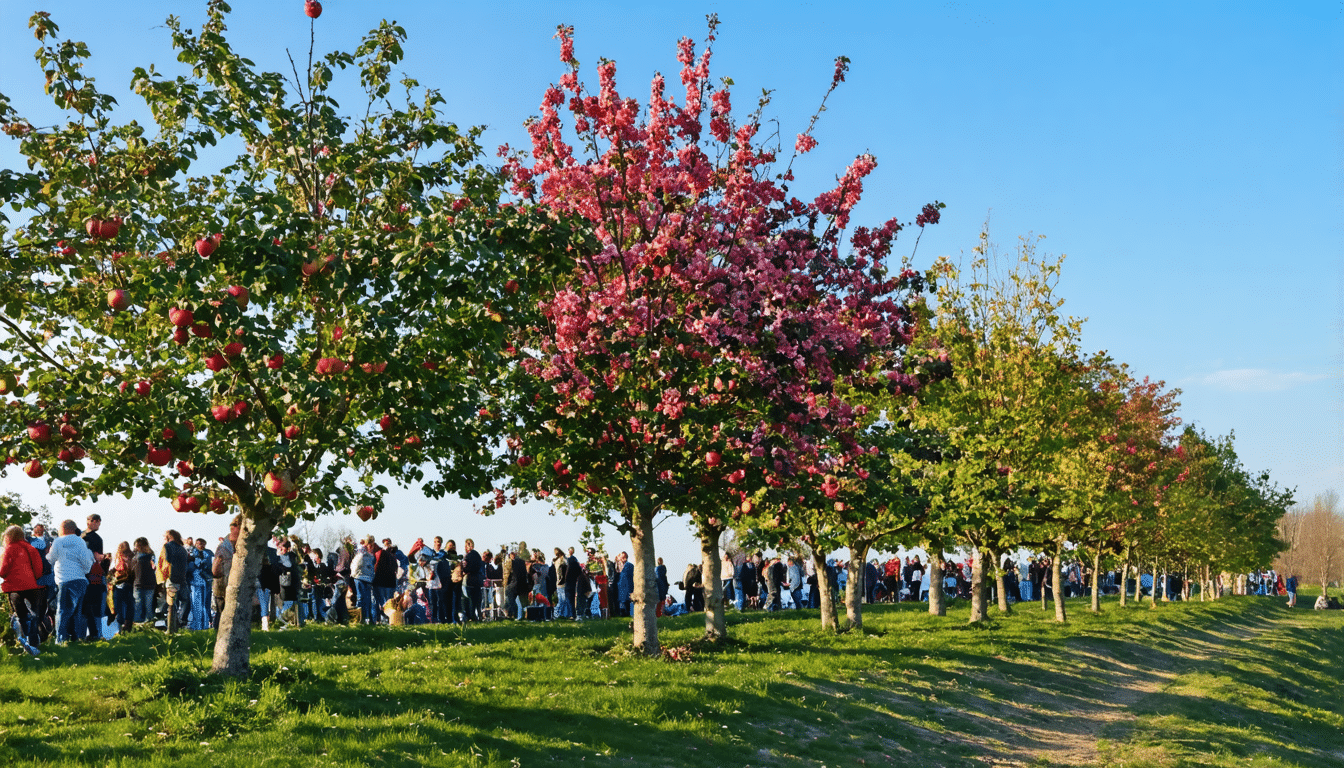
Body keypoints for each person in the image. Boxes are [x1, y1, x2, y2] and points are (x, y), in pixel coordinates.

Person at [46, 520, 95, 644]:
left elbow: (51, 559)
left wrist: (46, 555)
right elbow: (87, 564)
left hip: (65, 580)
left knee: (62, 611)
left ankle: (61, 640)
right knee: (76, 612)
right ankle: (75, 638)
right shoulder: (80, 541)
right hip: (80, 581)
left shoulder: (58, 541)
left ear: (63, 529)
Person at [1, 524, 46, 654]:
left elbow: (3, 571)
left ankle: (25, 645)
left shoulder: (9, 549)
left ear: (8, 537)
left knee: (21, 617)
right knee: (33, 616)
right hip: (32, 587)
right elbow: (38, 571)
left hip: (15, 588)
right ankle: (34, 644)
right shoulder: (31, 548)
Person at [157, 530, 189, 633]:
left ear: (168, 537)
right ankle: (181, 621)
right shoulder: (183, 549)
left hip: (171, 578)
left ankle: (167, 624)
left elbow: (165, 562)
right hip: (182, 578)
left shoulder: (167, 546)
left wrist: (162, 578)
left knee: (171, 603)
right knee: (185, 600)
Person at [211, 517, 240, 628]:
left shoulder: (235, 545)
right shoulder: (224, 547)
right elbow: (215, 570)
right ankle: (218, 635)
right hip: (222, 585)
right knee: (221, 611)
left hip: (231, 584)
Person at [351, 537, 377, 624]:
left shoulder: (371, 556)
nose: (372, 547)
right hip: (360, 578)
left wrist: (372, 577)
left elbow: (372, 568)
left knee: (368, 599)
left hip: (368, 580)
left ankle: (367, 618)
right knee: (360, 598)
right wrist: (355, 575)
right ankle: (359, 618)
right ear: (367, 544)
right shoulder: (361, 554)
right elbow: (355, 565)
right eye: (371, 545)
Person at [462, 538, 483, 622]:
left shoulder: (468, 556)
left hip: (470, 580)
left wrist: (464, 570)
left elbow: (467, 568)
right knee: (477, 601)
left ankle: (471, 617)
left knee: (470, 599)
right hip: (478, 580)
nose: (465, 547)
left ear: (469, 545)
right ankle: (479, 616)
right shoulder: (478, 555)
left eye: (466, 545)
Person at [616, 552, 634, 617]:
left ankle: (627, 614)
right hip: (621, 588)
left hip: (627, 588)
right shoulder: (619, 566)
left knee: (627, 603)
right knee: (622, 603)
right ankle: (623, 613)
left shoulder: (629, 566)